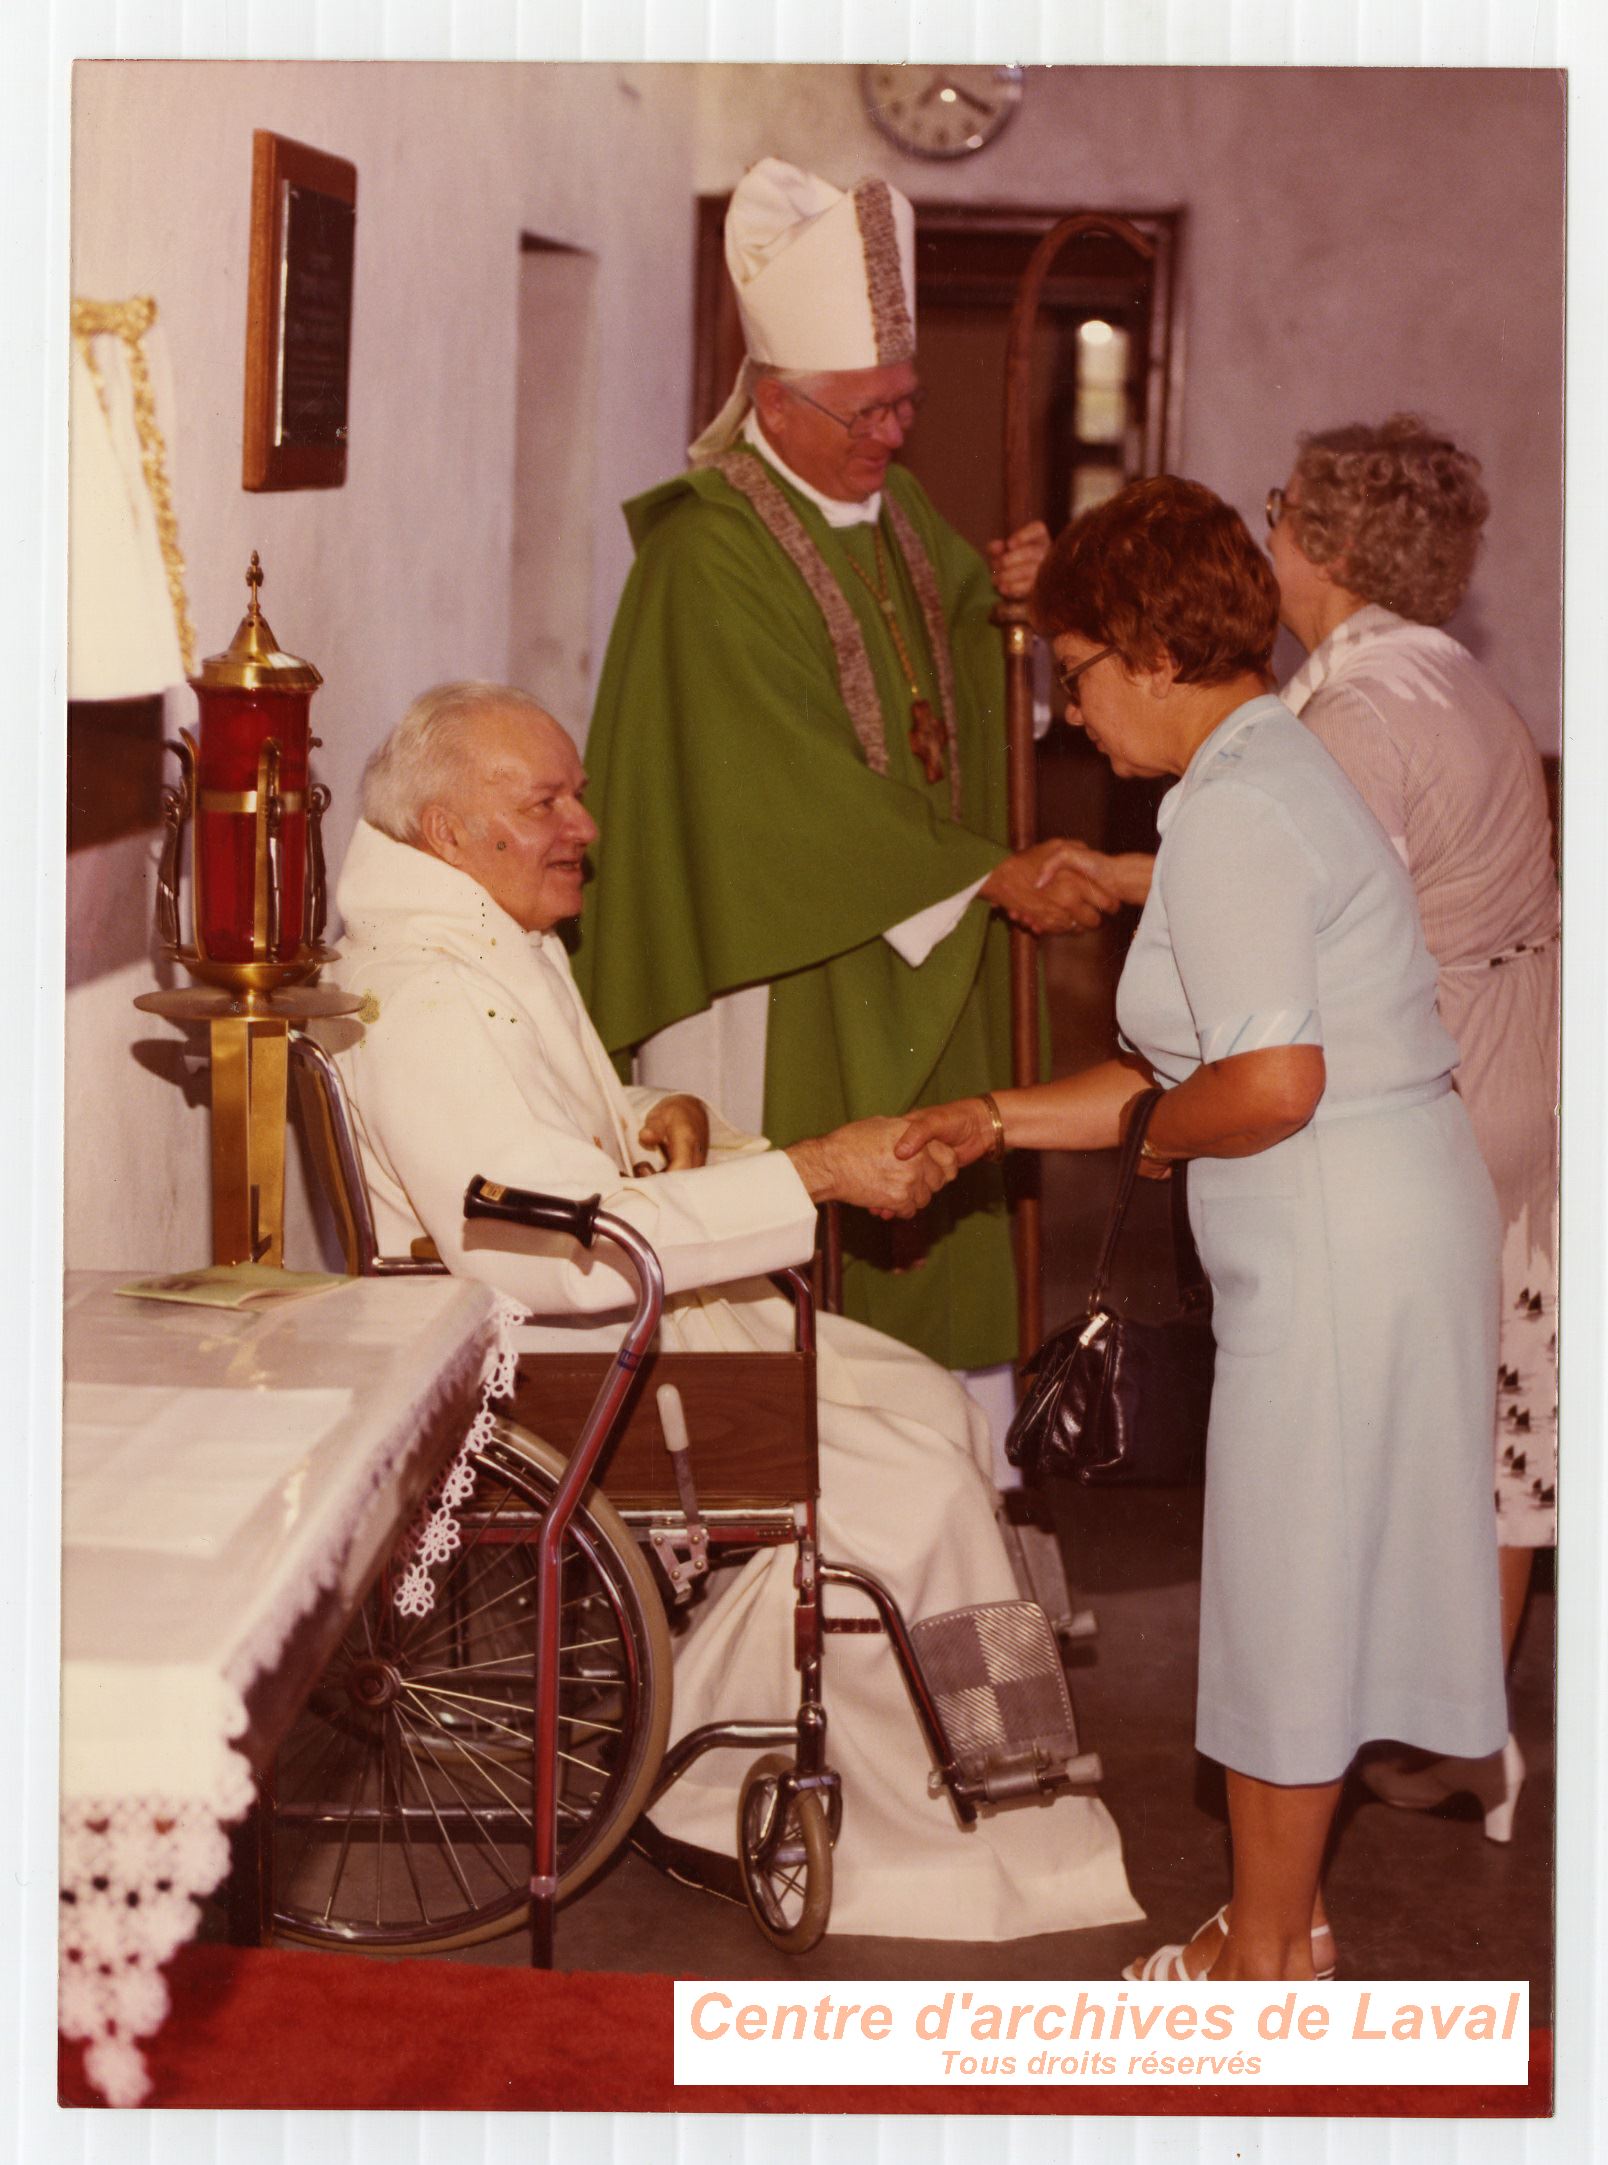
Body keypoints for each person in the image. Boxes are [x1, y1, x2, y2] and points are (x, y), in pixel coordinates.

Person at [327, 679, 1139, 1941]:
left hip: (623, 1329)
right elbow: (551, 1247)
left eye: (575, 791)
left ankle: (791, 1732)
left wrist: (652, 1112)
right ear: (446, 832)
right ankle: (866, 1814)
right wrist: (810, 1171)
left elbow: (544, 1140)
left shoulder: (478, 934)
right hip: (560, 1356)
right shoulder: (431, 993)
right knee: (911, 1495)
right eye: (546, 801)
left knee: (941, 1413)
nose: (584, 824)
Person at [898, 478, 1508, 1980]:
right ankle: (1281, 1929)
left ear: (1157, 655)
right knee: (1312, 1587)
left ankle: (1260, 1957)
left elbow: (1264, 1086)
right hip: (1377, 1210)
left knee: (1290, 1596)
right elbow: (1187, 1065)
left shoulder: (1236, 807)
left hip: (1332, 1226)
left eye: (1080, 671)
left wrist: (1158, 1145)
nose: (1070, 707)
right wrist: (992, 1117)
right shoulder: (1268, 769)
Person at [1059, 419, 1559, 1840]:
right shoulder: (1426, 671)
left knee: (1345, 1518)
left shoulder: (1351, 718)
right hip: (1486, 1069)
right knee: (1457, 1453)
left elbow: (1285, 964)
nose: (1270, 534)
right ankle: (1441, 1741)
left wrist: (1155, 1130)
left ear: (1328, 548)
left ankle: (1361, 1812)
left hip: (1421, 1088)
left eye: (1284, 512)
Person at [571, 157, 1116, 1453]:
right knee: (796, 1304)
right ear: (776, 398)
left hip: (910, 947)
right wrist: (981, 875)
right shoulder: (709, 552)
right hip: (780, 970)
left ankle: (956, 1508)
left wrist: (1023, 611)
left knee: (944, 1264)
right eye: (865, 413)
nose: (892, 438)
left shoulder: (898, 509)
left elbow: (968, 675)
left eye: (906, 407)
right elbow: (770, 787)